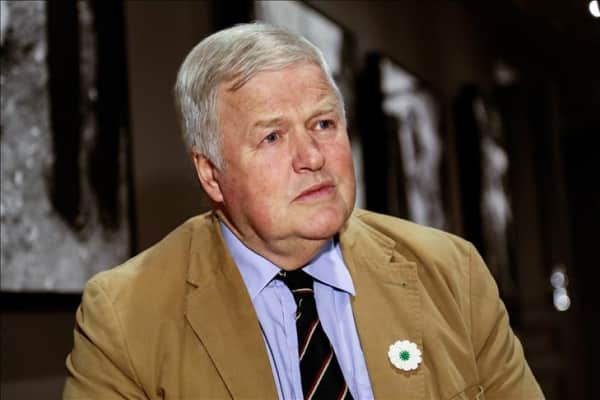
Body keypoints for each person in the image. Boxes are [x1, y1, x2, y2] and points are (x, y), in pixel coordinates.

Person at [63, 23, 543, 399]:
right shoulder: (125, 318)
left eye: (324, 123)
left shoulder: (451, 273)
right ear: (210, 173)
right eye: (272, 136)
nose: (312, 155)